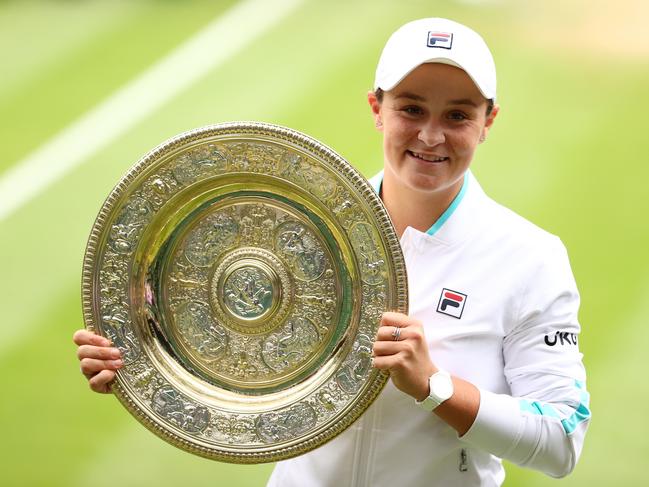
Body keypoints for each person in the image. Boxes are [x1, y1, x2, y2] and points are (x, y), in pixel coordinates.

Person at [74, 17, 590, 487]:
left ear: (487, 122)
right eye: (411, 108)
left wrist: (435, 387)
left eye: (457, 115)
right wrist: (139, 359)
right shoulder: (300, 230)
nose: (431, 135)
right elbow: (237, 347)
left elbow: (562, 442)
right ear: (376, 109)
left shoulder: (530, 258)